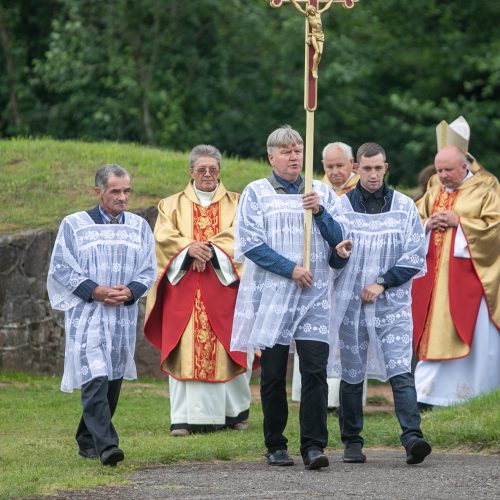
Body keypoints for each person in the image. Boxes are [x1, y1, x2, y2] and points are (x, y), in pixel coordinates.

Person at [231, 125, 350, 470]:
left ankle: (313, 445)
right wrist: (291, 269)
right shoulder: (256, 193)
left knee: (314, 370)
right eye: (286, 151)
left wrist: (320, 213)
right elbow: (250, 244)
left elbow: (338, 243)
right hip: (274, 295)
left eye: (298, 150)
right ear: (271, 156)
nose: (294, 156)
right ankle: (276, 444)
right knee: (272, 373)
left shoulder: (323, 193)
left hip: (314, 295)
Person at [328, 142, 431, 465]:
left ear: (386, 168)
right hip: (351, 303)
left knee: (401, 370)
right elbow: (331, 255)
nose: (373, 175)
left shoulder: (403, 207)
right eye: (366, 168)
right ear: (356, 169)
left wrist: (382, 282)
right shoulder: (342, 208)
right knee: (352, 373)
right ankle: (352, 442)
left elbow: (415, 256)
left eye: (378, 168)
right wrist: (338, 254)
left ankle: (413, 437)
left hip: (393, 302)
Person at [46, 164, 156, 466]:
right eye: (115, 191)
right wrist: (95, 290)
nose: (123, 197)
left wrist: (131, 290)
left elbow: (148, 268)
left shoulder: (138, 226)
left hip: (120, 315)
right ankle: (108, 446)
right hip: (88, 314)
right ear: (99, 192)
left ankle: (86, 438)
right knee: (94, 374)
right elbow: (61, 267)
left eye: (127, 191)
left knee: (111, 380)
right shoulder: (75, 225)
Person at [144, 145, 255, 436]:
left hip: (224, 289)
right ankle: (184, 418)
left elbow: (242, 236)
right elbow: (163, 238)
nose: (208, 174)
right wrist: (188, 249)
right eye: (201, 169)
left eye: (213, 169)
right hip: (185, 292)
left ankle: (234, 413)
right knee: (185, 346)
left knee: (229, 346)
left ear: (220, 171)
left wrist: (208, 249)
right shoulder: (170, 205)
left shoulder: (238, 203)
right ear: (190, 172)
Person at [412, 143, 500, 409]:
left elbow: (495, 228)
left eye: (448, 170)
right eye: (439, 170)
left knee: (474, 337)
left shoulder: (486, 188)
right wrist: (428, 224)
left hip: (471, 282)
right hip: (435, 282)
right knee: (432, 333)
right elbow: (414, 217)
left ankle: (473, 394)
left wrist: (459, 223)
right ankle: (427, 396)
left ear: (465, 166)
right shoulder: (434, 188)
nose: (443, 175)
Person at [292, 140, 363, 411]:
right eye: (329, 166)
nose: (335, 171)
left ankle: (345, 396)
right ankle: (314, 396)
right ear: (323, 166)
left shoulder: (359, 192)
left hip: (349, 269)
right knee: (315, 336)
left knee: (348, 333)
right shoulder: (313, 190)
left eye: (340, 166)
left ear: (352, 165)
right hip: (320, 275)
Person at [290, 0, 334, 78]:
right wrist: (292, 1)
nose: (314, 10)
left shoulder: (318, 13)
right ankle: (313, 70)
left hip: (320, 35)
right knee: (317, 51)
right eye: (312, 10)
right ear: (310, 11)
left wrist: (331, 0)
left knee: (320, 53)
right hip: (314, 35)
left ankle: (315, 67)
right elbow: (299, 8)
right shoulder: (308, 16)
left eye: (314, 9)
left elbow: (326, 7)